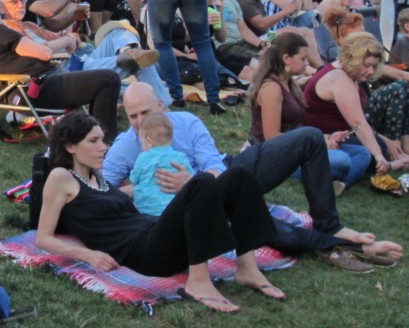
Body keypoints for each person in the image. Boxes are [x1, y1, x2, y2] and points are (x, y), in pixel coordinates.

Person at [105, 82, 403, 271]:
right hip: (199, 207)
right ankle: (338, 246)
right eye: (133, 116)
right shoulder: (126, 144)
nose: (140, 122)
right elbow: (102, 187)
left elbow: (214, 164)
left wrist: (194, 182)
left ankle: (330, 224)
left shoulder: (187, 121)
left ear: (161, 104)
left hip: (228, 173)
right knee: (258, 222)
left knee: (309, 137)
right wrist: (140, 189)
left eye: (145, 112)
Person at [36, 112, 281, 313]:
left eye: (103, 140)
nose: (104, 147)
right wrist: (88, 255)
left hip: (157, 231)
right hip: (145, 252)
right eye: (94, 141)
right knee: (201, 183)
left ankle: (247, 268)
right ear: (70, 146)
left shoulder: (96, 177)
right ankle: (198, 281)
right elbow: (43, 238)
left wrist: (160, 182)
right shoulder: (61, 177)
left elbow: (122, 196)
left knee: (238, 176)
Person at [0, 0, 121, 142]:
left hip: (21, 94)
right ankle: (104, 142)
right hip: (36, 91)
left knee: (100, 79)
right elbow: (44, 53)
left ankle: (91, 136)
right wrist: (66, 40)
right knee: (109, 79)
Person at [248, 33, 369, 194]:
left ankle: (341, 184)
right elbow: (271, 138)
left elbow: (296, 127)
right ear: (286, 58)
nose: (307, 63)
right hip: (277, 156)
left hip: (298, 148)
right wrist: (316, 143)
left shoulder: (290, 83)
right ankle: (329, 178)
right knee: (342, 160)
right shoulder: (272, 88)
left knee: (362, 153)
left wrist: (327, 138)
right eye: (303, 58)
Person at [302, 32, 409, 173]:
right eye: (368, 66)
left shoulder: (353, 72)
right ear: (353, 59)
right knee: (373, 151)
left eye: (374, 67)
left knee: (407, 86)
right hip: (328, 137)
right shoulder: (339, 79)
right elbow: (358, 123)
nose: (370, 71)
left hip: (347, 131)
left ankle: (401, 146)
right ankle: (390, 157)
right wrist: (378, 154)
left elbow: (401, 74)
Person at [128, 113, 192, 216]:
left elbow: (134, 179)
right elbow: (189, 179)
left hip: (146, 210)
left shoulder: (143, 158)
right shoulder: (181, 158)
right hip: (175, 210)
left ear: (149, 141)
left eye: (142, 142)